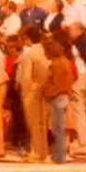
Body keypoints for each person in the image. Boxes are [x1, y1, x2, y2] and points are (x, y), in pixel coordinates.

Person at [19, 26, 51, 162]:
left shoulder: (29, 54)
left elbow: (26, 77)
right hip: (46, 90)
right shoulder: (46, 50)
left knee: (34, 123)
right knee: (44, 123)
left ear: (27, 39)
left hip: (33, 91)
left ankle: (36, 152)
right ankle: (44, 151)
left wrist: (26, 91)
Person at [43, 40, 74, 163]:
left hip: (58, 97)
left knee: (58, 129)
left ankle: (60, 157)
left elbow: (57, 84)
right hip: (64, 97)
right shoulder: (66, 62)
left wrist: (46, 93)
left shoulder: (56, 64)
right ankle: (59, 155)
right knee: (59, 128)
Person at [67, 23, 86, 156]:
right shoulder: (80, 41)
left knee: (78, 106)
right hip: (78, 74)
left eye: (72, 30)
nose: (70, 32)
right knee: (75, 107)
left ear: (78, 30)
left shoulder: (82, 42)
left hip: (78, 75)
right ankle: (78, 136)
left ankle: (83, 138)